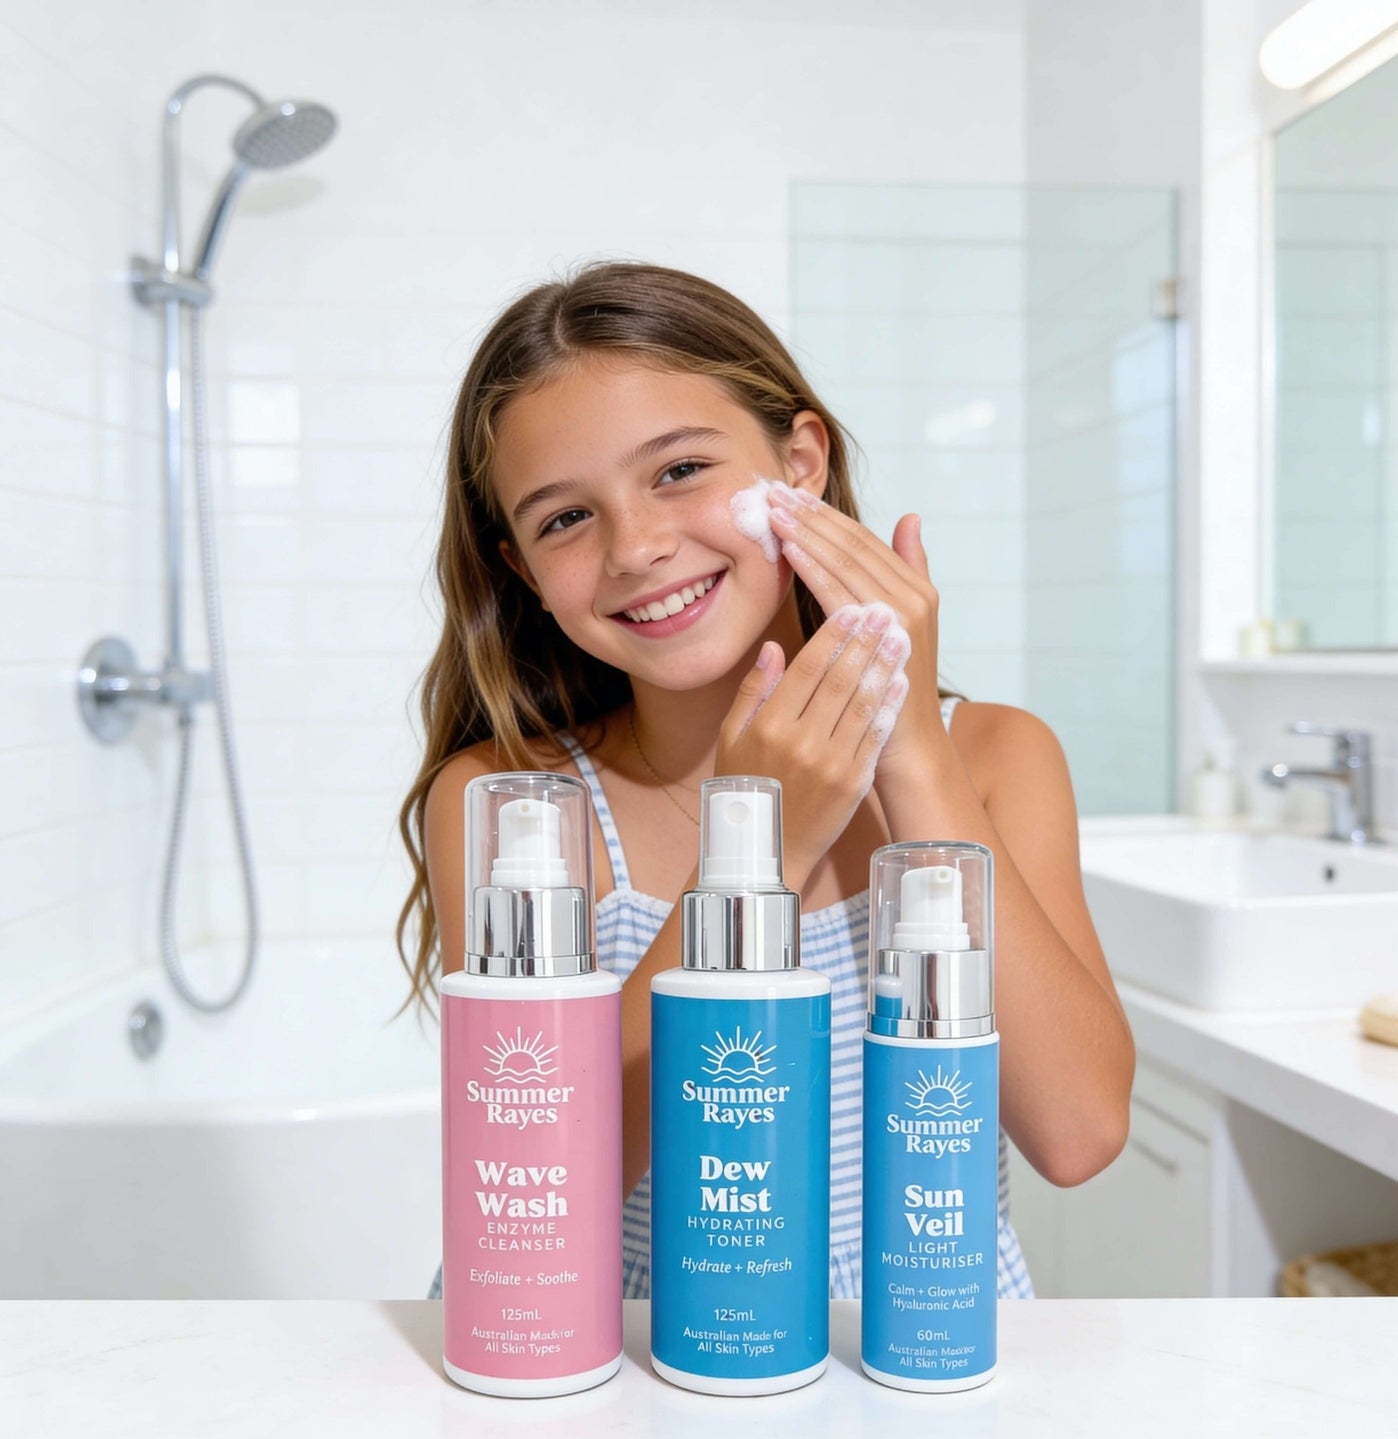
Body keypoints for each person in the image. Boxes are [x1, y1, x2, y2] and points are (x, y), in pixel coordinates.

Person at [398, 261, 1135, 1302]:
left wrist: (910, 744)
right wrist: (759, 850)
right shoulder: (517, 803)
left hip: (916, 1343)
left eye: (678, 469)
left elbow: (1079, 1130)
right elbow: (531, 1191)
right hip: (600, 1350)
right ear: (520, 567)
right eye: (564, 518)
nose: (637, 546)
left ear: (799, 463)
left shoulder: (996, 756)